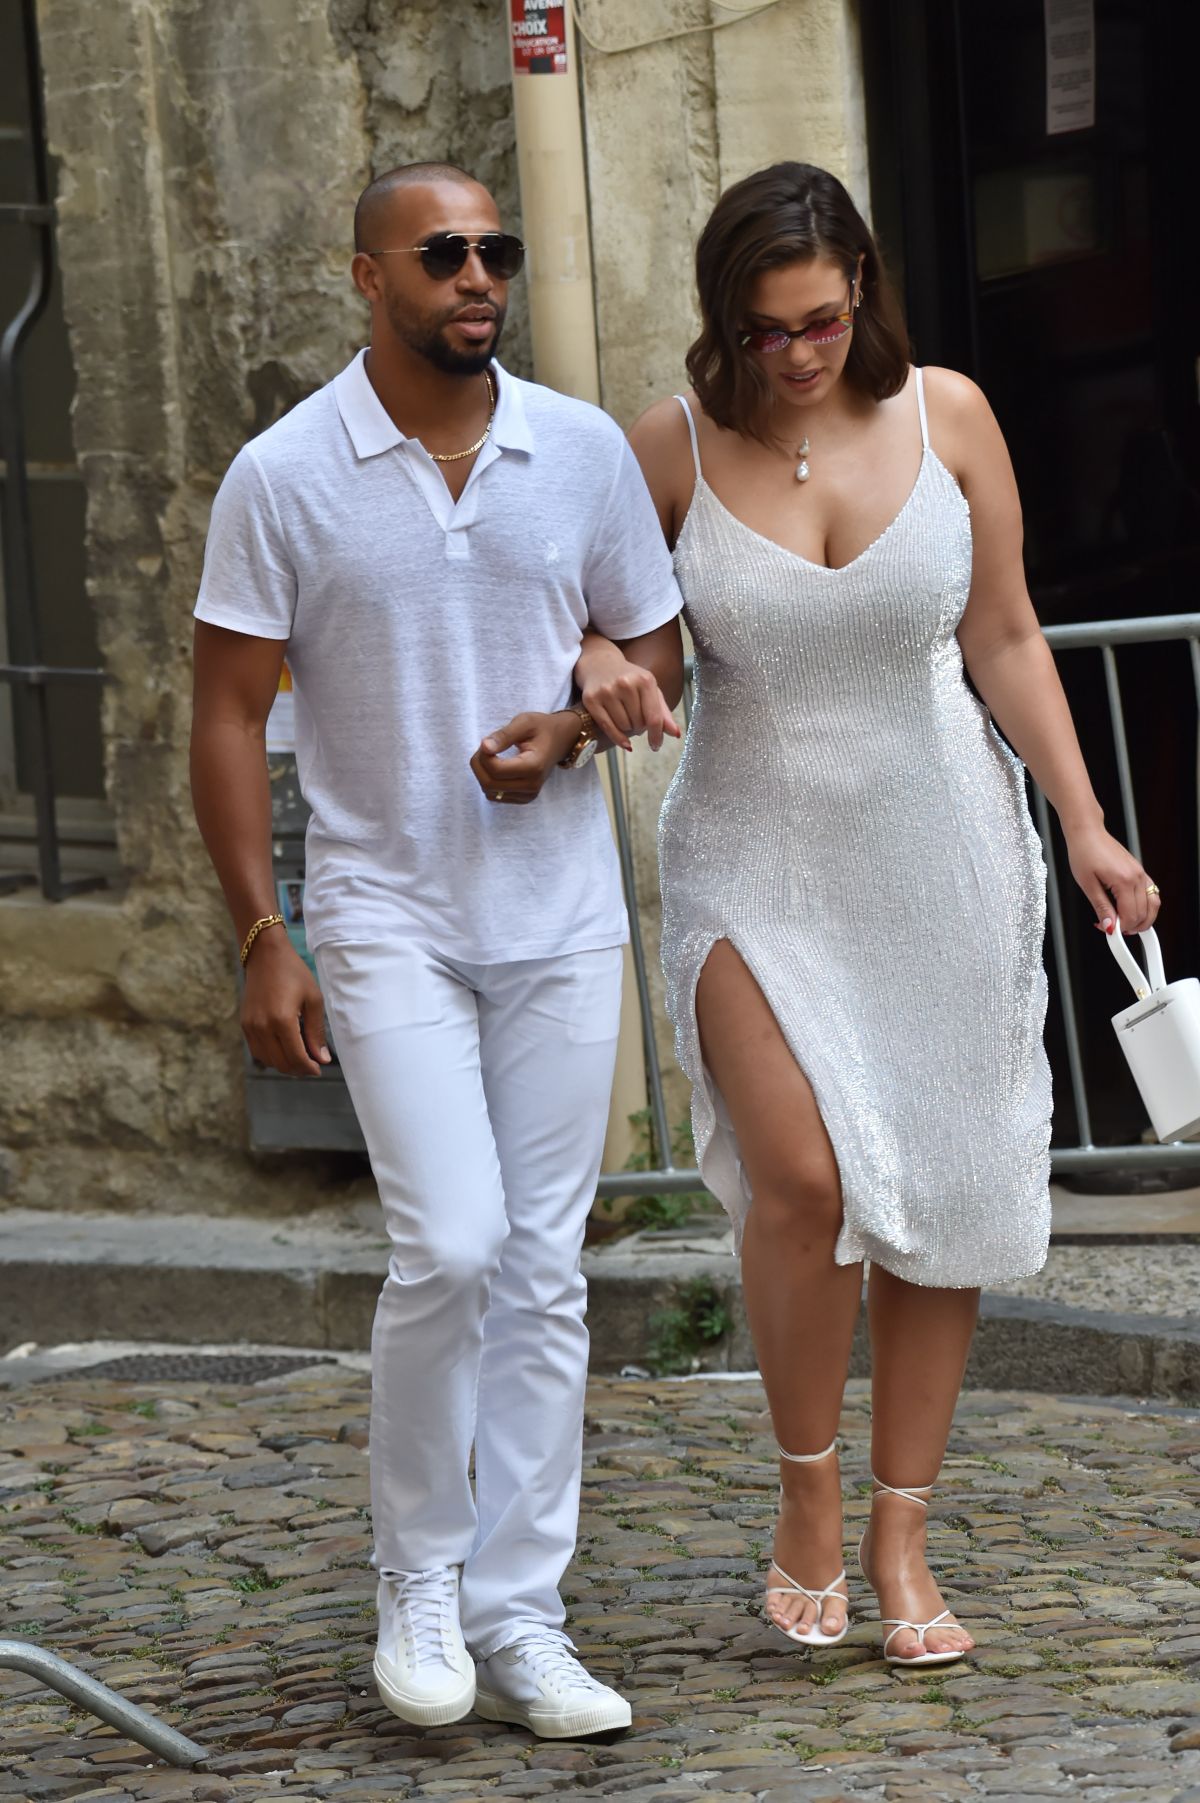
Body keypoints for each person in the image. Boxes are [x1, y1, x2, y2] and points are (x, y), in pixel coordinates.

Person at [585, 161, 1161, 1666]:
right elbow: (595, 605)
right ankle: (805, 1495)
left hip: (940, 846)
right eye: (767, 329)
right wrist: (593, 653)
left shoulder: (949, 415)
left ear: (864, 290)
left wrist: (1089, 823)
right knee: (805, 1179)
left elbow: (1011, 635)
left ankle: (903, 1530)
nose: (798, 353)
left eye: (823, 319)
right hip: (750, 851)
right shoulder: (672, 446)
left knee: (943, 1190)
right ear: (729, 320)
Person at [189, 161, 683, 1735]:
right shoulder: (284, 475)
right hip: (384, 912)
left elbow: (650, 641)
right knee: (452, 1246)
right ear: (368, 277)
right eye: (444, 253)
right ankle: (418, 1575)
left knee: (544, 1270)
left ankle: (520, 1616)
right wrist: (266, 935)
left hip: (554, 914)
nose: (479, 276)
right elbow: (220, 712)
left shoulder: (581, 448)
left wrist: (591, 693)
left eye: (497, 251)